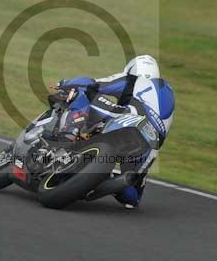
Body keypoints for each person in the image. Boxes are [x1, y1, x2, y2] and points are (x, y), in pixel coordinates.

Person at [53, 55, 175, 208]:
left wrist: (65, 83)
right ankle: (102, 181)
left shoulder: (134, 79)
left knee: (83, 94)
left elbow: (95, 84)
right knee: (132, 196)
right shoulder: (168, 92)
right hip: (151, 141)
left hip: (130, 119)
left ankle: (67, 137)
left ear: (132, 70)